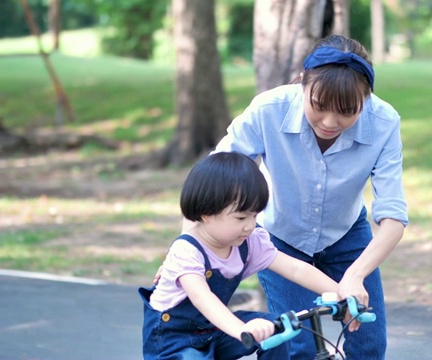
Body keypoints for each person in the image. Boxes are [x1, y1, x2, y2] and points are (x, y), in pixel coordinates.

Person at [182, 34, 408, 359]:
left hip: (348, 235)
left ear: (367, 98)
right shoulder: (267, 111)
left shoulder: (384, 123)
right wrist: (187, 249)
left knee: (369, 342)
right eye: (319, 106)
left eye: (348, 111)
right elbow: (211, 181)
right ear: (302, 83)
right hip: (279, 237)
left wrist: (355, 276)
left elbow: (393, 216)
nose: (331, 122)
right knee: (293, 346)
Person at [139, 152, 350, 359]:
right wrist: (242, 329)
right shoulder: (187, 251)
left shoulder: (249, 242)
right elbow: (203, 299)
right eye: (241, 217)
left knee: (280, 327)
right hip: (173, 339)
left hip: (213, 328)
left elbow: (295, 269)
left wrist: (343, 293)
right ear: (207, 214)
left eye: (255, 215)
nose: (250, 226)